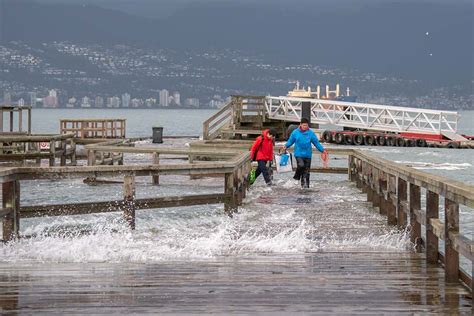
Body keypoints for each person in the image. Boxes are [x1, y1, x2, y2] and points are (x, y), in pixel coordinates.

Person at [283, 118, 327, 188]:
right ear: (300, 125)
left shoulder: (310, 133)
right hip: (298, 153)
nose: (305, 127)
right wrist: (286, 146)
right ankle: (296, 177)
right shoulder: (295, 132)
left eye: (306, 125)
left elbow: (316, 143)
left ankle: (305, 187)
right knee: (301, 165)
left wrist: (322, 150)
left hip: (307, 154)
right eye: (304, 125)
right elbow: (290, 141)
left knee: (306, 172)